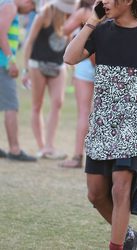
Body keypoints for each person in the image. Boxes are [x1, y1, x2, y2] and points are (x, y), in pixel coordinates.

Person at [64, 0, 137, 248]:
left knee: (121, 189)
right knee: (95, 194)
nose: (102, 2)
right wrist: (92, 21)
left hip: (133, 125)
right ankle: (128, 236)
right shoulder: (101, 31)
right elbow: (70, 56)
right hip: (101, 124)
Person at [22, 0, 79, 160]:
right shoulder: (44, 15)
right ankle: (42, 147)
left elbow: (69, 43)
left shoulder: (70, 18)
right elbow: (29, 42)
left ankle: (49, 145)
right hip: (37, 64)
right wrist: (25, 69)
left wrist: (72, 66)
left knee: (58, 103)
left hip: (58, 65)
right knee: (37, 105)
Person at [59, 0, 95, 168]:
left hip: (86, 61)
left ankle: (77, 156)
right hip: (106, 61)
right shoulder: (111, 11)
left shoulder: (84, 11)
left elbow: (64, 29)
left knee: (84, 112)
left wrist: (74, 35)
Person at [0, 0, 37, 162]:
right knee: (11, 106)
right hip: (2, 63)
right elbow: (1, 31)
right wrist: (10, 60)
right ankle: (14, 149)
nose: (29, 12)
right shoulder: (10, 6)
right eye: (32, 7)